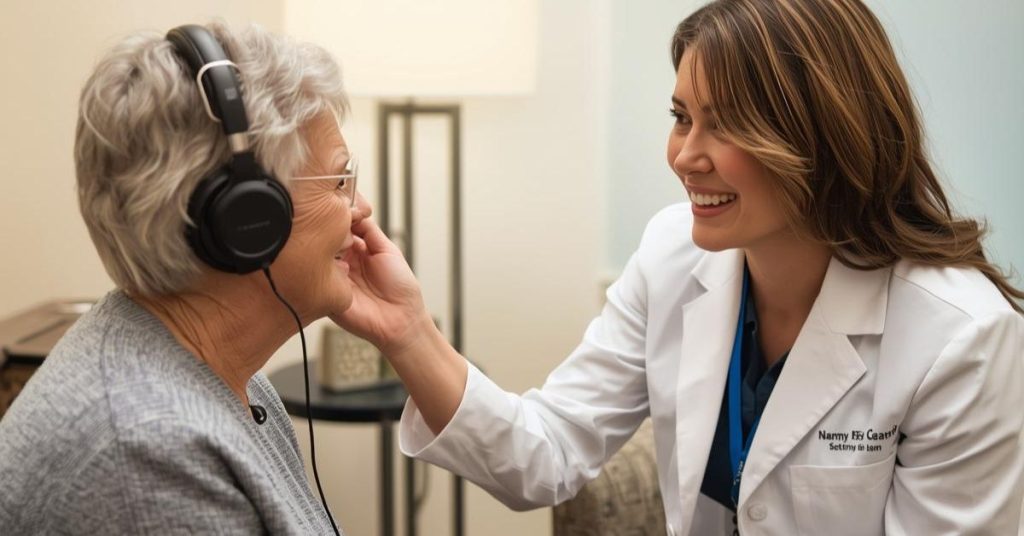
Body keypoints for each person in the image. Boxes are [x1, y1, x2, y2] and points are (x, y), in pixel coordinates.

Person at [331, 0, 1024, 534]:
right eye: (681, 117)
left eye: (723, 124)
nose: (686, 156)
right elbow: (544, 454)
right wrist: (407, 332)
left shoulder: (960, 337)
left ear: (821, 136)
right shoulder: (673, 254)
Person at [0, 22, 369, 534]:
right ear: (246, 220)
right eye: (339, 180)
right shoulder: (146, 454)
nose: (362, 208)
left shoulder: (221, 376)